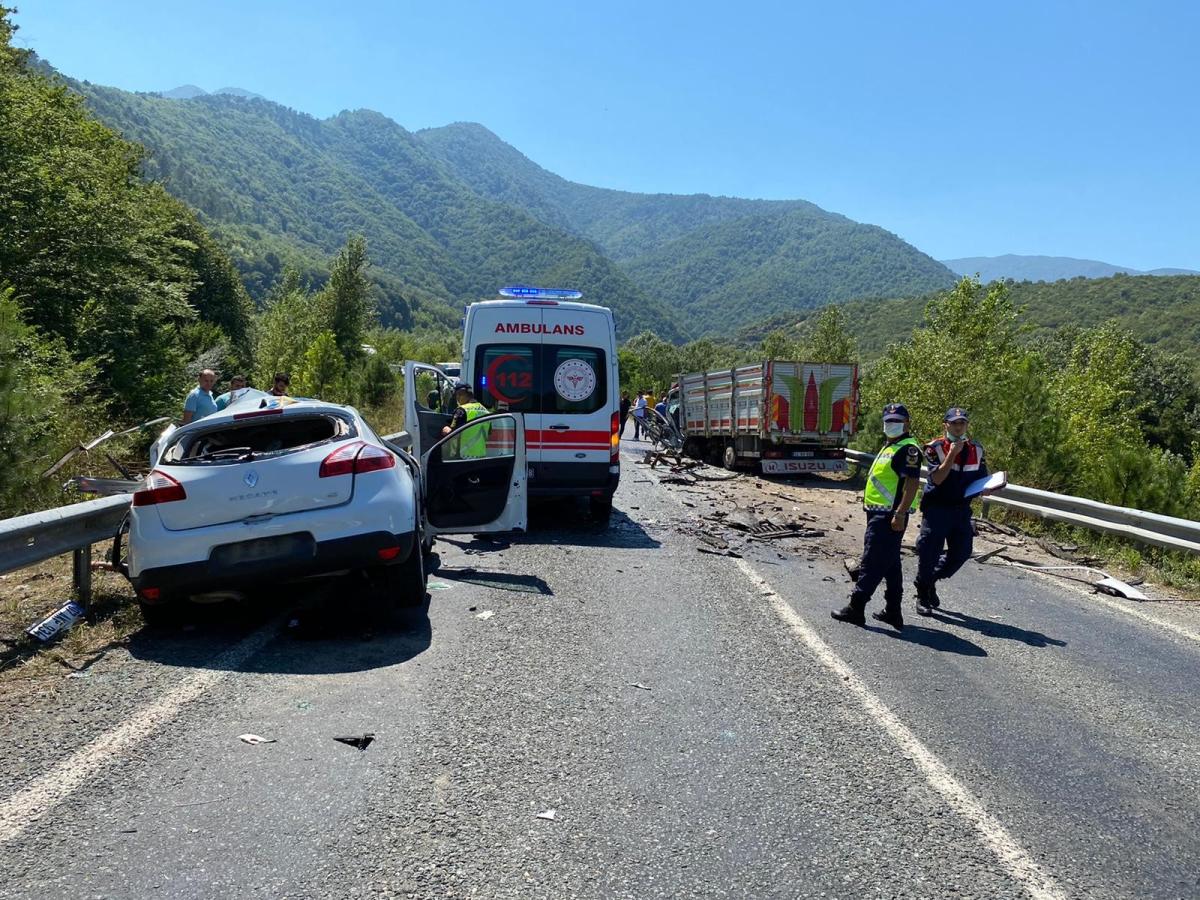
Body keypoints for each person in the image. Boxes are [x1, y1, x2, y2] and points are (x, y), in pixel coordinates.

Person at [832, 403, 923, 631]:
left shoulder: (907, 449)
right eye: (889, 421)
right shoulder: (891, 446)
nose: (892, 425)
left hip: (889, 516)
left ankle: (856, 607)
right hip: (879, 513)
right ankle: (893, 611)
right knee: (891, 563)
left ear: (907, 423)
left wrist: (900, 513)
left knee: (872, 561)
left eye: (897, 421)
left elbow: (912, 484)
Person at [914, 407, 989, 615]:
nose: (958, 427)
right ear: (945, 425)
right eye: (954, 423)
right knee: (929, 553)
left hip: (961, 510)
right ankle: (922, 594)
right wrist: (952, 454)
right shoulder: (934, 447)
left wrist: (986, 488)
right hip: (937, 508)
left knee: (962, 553)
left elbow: (981, 477)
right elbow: (937, 479)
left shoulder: (977, 449)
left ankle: (930, 580)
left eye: (962, 423)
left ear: (967, 425)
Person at [441, 382, 491, 458]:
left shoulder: (462, 410)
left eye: (459, 394)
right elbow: (488, 433)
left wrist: (446, 429)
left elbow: (452, 434)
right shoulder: (485, 411)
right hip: (481, 456)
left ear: (468, 395)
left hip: (463, 456)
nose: (457, 398)